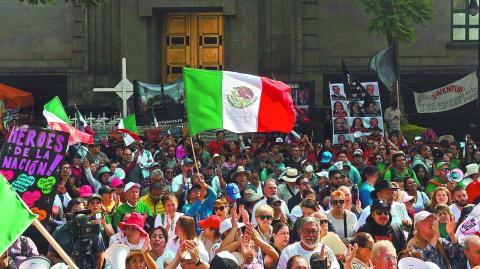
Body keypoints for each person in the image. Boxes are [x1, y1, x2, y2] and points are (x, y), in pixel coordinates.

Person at [47, 199, 105, 269]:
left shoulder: (93, 230)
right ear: (69, 213)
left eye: (81, 210)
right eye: (75, 211)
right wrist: (66, 264)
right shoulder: (60, 231)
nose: (79, 214)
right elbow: (50, 256)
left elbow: (100, 255)